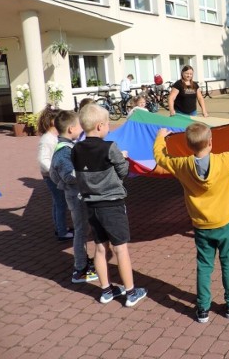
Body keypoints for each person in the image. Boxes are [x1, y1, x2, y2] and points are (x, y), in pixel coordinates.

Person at [154, 117, 229, 322]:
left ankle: (202, 309)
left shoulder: (182, 165)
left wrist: (160, 138)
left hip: (200, 225)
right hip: (223, 223)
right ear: (211, 142)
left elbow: (161, 158)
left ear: (188, 146)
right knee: (228, 262)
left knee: (204, 264)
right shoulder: (224, 160)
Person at [72, 104, 147, 307]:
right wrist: (121, 157)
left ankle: (106, 290)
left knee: (100, 248)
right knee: (120, 249)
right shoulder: (110, 147)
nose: (109, 128)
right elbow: (123, 172)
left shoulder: (76, 149)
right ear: (99, 126)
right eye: (107, 124)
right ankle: (131, 292)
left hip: (91, 205)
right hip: (112, 204)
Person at [49, 110, 98, 284]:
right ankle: (80, 268)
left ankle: (82, 261)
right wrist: (88, 172)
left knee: (83, 230)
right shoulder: (64, 151)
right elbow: (67, 175)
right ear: (71, 129)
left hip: (76, 193)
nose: (82, 127)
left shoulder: (67, 146)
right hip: (75, 196)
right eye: (79, 125)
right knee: (81, 231)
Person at [36, 105, 73, 241]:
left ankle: (60, 227)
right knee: (60, 203)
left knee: (58, 203)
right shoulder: (47, 139)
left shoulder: (54, 136)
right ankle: (62, 232)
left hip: (54, 176)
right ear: (53, 121)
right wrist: (55, 171)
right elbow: (43, 160)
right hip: (52, 177)